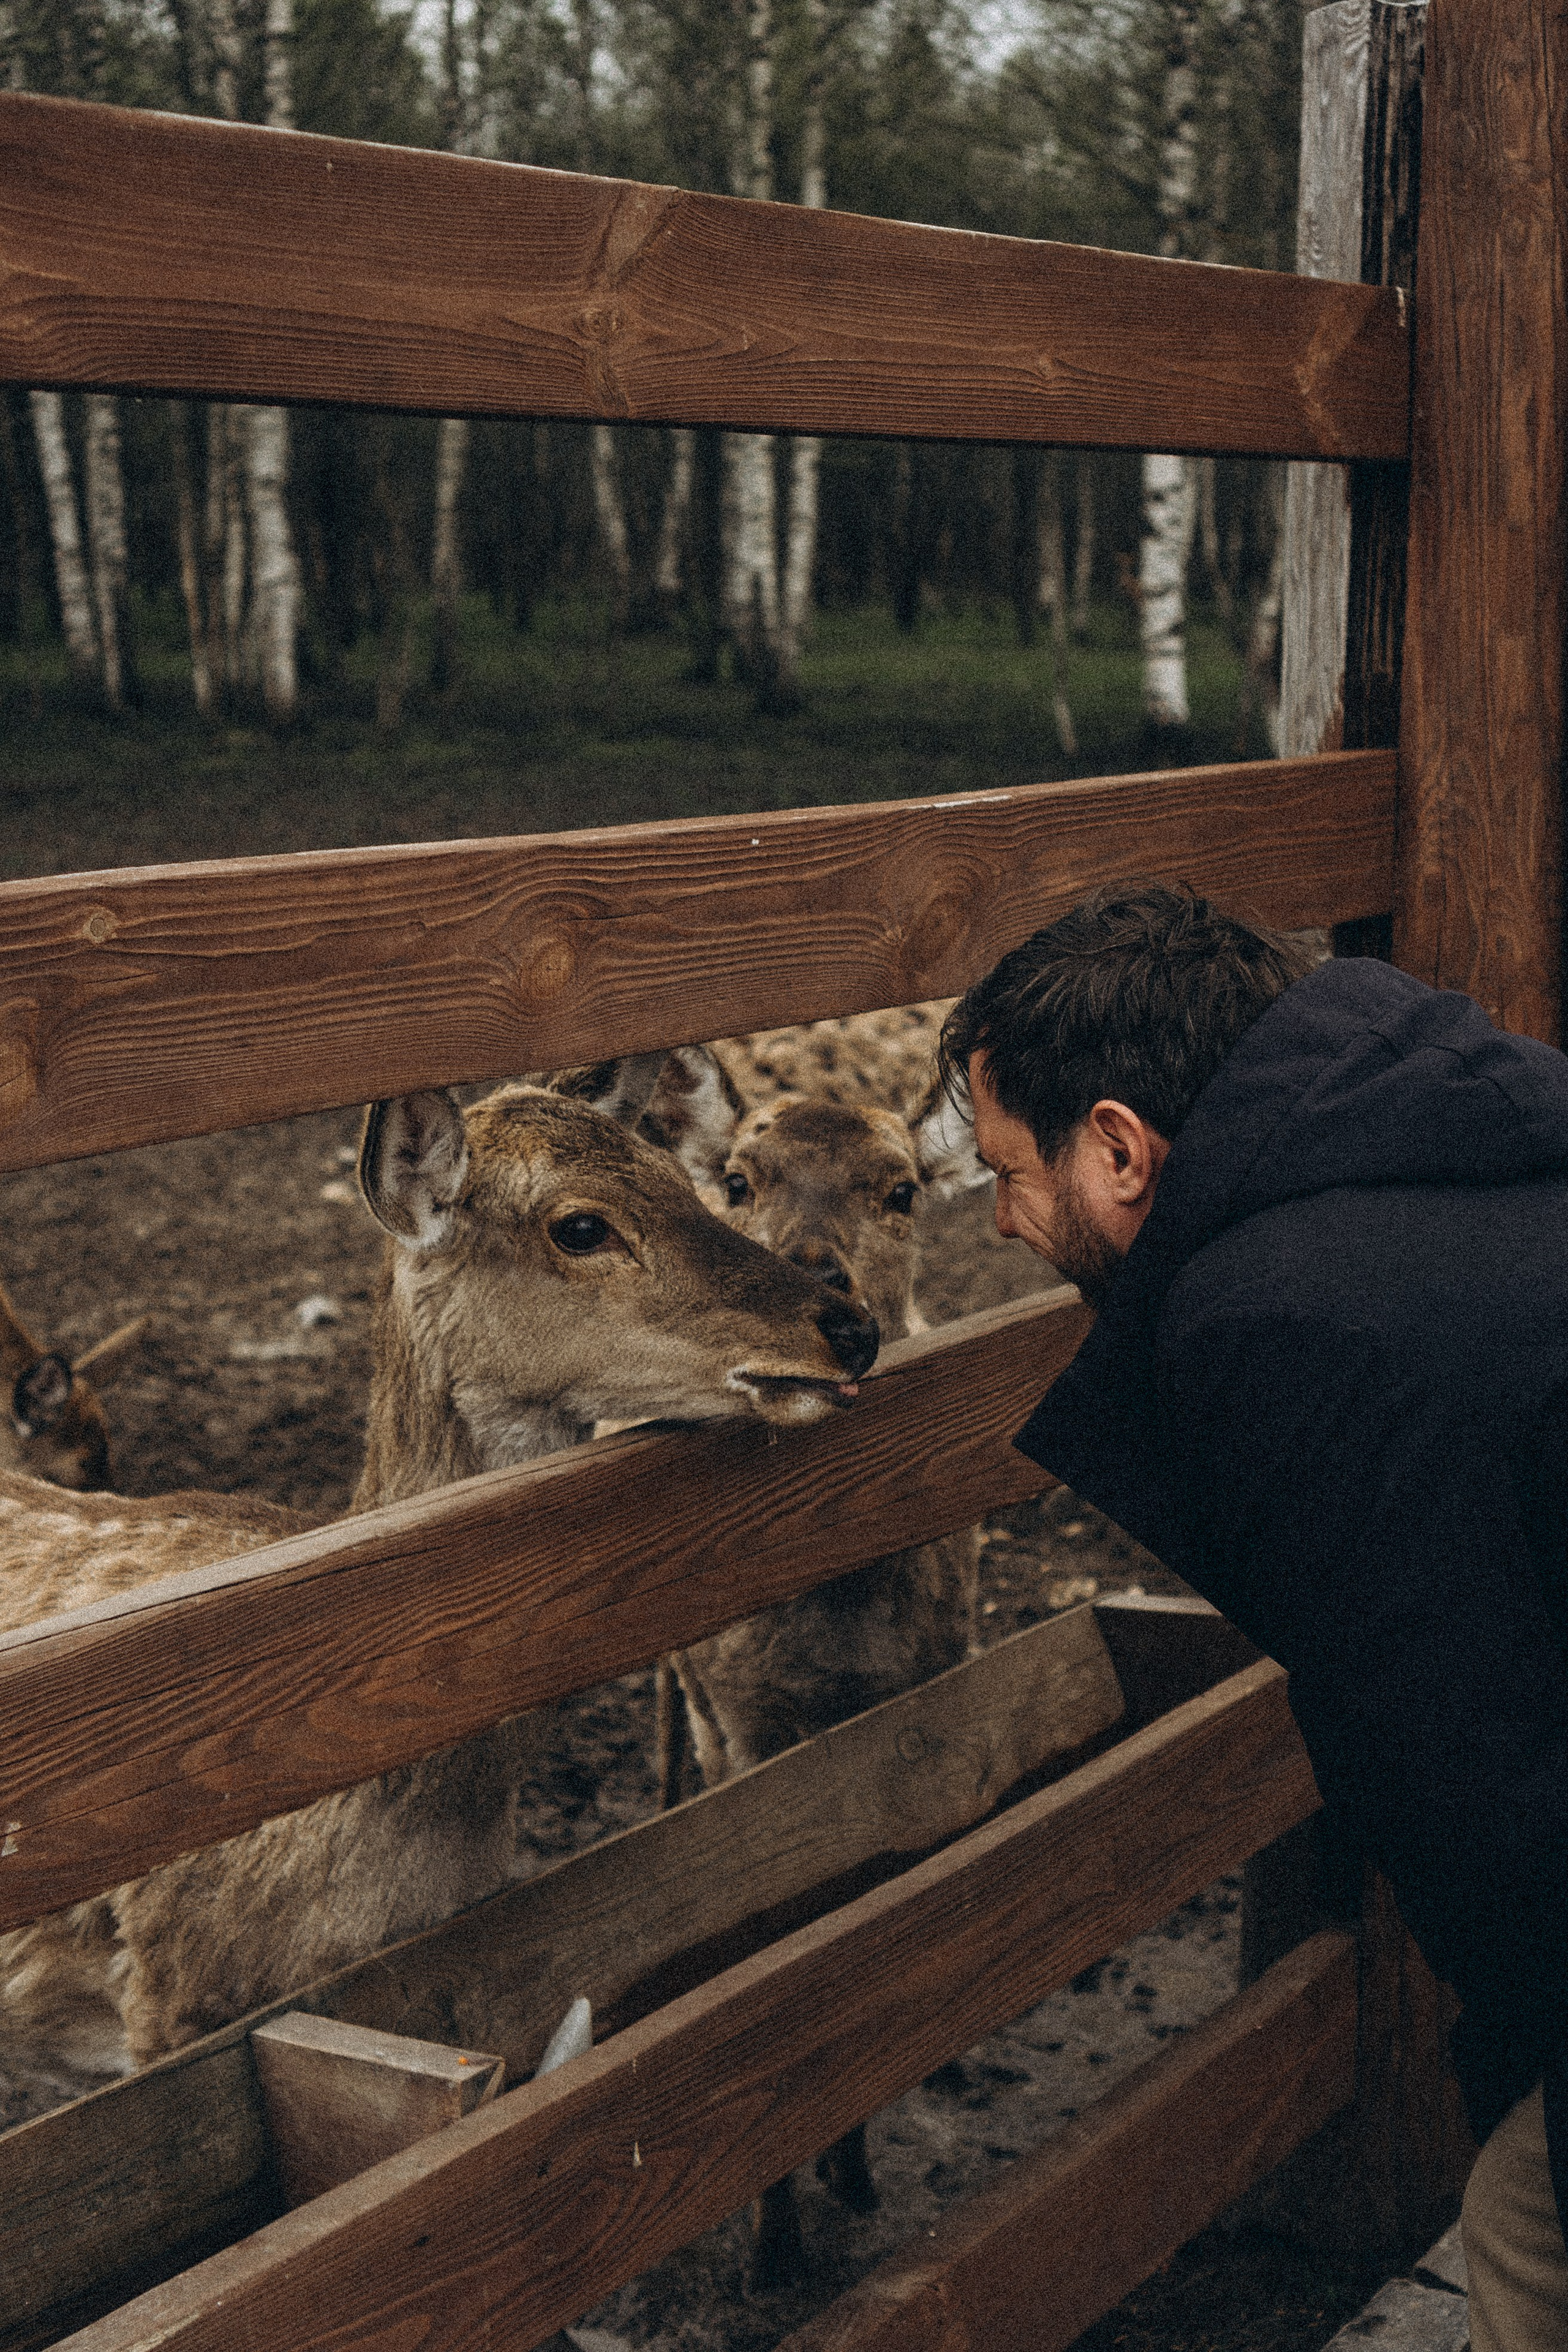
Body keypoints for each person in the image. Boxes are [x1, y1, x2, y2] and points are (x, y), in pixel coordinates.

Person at [937, 881, 1568, 2352]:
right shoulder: (1484, 1139)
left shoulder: (1275, 1327)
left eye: (1005, 1172)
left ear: (1116, 1149)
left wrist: (1520, 2059)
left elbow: (1467, 1779)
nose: (1000, 1221)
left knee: (1527, 2243)